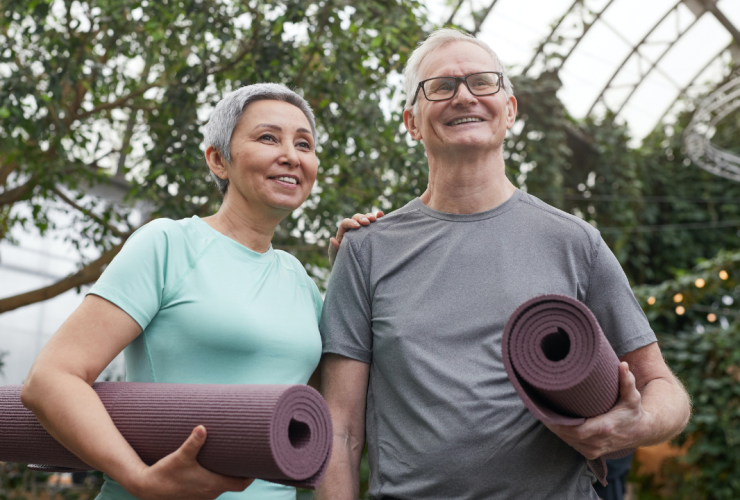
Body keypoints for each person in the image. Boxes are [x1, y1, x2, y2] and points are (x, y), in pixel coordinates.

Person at [317, 29, 691, 500]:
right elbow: (341, 429)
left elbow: (663, 387)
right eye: (441, 86)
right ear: (412, 121)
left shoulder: (575, 242)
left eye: (483, 82)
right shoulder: (366, 249)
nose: (464, 96)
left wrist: (634, 424)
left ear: (509, 110)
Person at [20, 83, 375, 500]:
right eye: (267, 138)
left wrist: (354, 273)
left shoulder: (300, 280)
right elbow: (49, 379)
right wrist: (139, 477)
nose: (291, 156)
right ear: (218, 160)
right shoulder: (168, 244)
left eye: (304, 144)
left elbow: (328, 411)